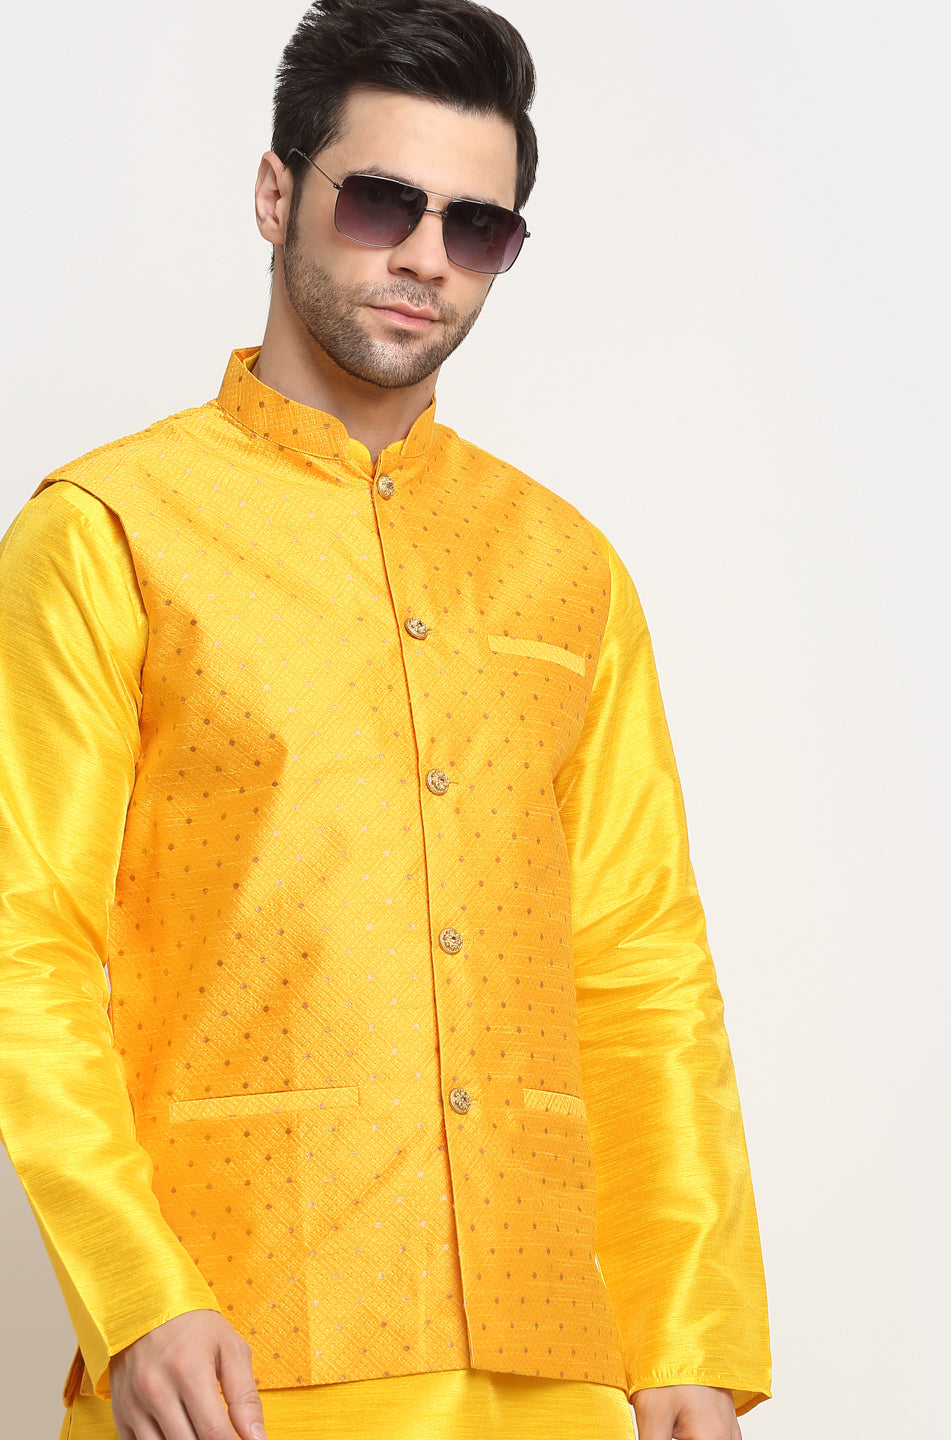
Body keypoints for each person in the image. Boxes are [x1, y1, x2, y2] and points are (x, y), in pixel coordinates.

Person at [0, 2, 771, 1437]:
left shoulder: (566, 569)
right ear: (275, 192)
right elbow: (24, 942)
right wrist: (135, 1290)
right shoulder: (112, 532)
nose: (426, 255)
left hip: (559, 1372)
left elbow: (642, 965)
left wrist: (690, 1337)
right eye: (382, 201)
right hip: (235, 1365)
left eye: (477, 227)